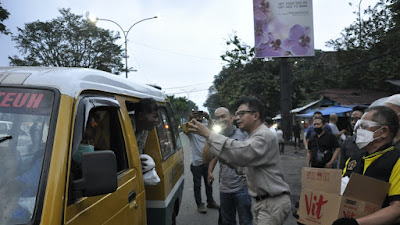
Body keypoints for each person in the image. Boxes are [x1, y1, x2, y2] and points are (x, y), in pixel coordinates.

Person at [190, 97, 291, 225]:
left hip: (271, 202)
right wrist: (220, 156)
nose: (238, 117)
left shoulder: (264, 136)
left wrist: (209, 134)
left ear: (256, 115)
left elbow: (241, 153)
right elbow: (243, 167)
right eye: (237, 114)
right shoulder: (252, 136)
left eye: (241, 114)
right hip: (262, 201)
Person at [333, 106, 400, 225]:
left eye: (364, 126)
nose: (357, 130)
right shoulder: (353, 160)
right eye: (358, 126)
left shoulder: (396, 160)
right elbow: (339, 196)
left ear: (383, 131)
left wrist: (356, 223)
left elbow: (396, 209)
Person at [207, 107, 253, 225]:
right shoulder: (216, 137)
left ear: (232, 118)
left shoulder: (244, 134)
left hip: (243, 188)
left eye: (223, 116)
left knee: (246, 220)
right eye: (217, 118)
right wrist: (210, 171)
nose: (221, 120)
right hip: (225, 188)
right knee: (227, 221)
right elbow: (212, 156)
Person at [184, 110, 219, 214]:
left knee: (209, 183)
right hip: (196, 163)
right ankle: (200, 204)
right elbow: (185, 130)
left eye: (200, 117)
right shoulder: (191, 131)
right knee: (197, 185)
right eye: (196, 117)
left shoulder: (206, 129)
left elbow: (214, 129)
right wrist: (190, 118)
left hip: (207, 161)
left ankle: (210, 201)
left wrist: (208, 117)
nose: (199, 118)